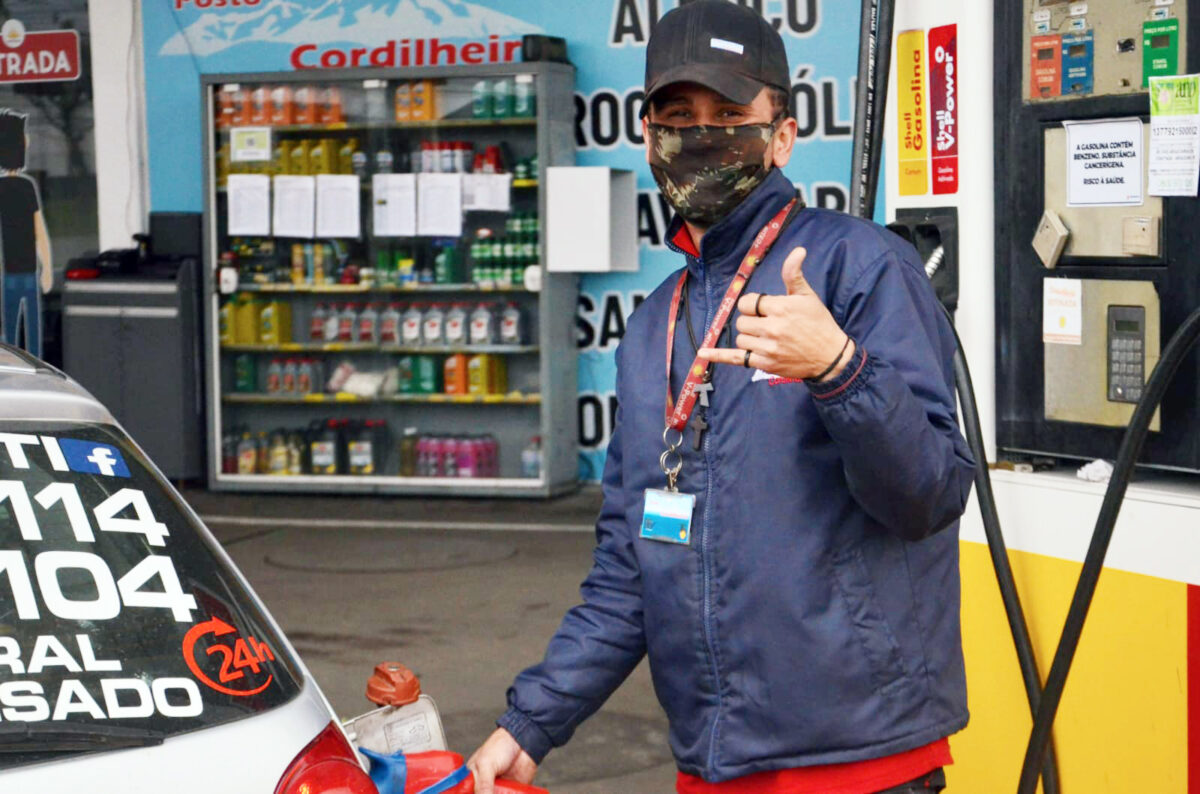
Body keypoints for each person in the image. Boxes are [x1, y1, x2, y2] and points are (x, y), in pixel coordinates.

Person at [468, 3, 976, 792]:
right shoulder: (652, 327)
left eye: (730, 114)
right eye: (679, 116)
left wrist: (839, 368)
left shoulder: (861, 269)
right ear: (648, 139)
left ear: (781, 133)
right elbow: (627, 573)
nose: (703, 136)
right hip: (713, 763)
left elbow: (930, 494)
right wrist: (528, 725)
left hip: (861, 761)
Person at [0, 109, 52, 357]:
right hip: (25, 271)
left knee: (11, 334)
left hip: (11, 273)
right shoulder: (26, 186)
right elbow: (39, 231)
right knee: (32, 335)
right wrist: (48, 268)